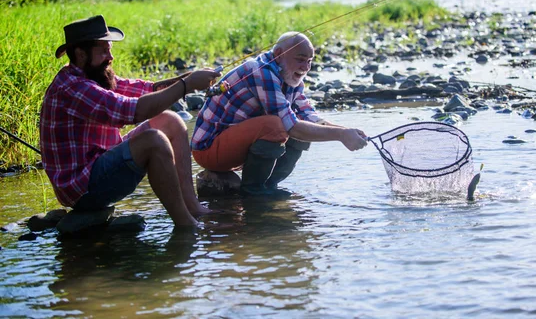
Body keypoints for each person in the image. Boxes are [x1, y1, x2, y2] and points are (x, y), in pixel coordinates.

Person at [40, 15, 220, 227]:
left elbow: (141, 89)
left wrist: (184, 79)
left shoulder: (93, 75)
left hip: (99, 166)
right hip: (82, 189)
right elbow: (132, 111)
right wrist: (187, 85)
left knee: (171, 121)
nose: (111, 56)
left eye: (110, 49)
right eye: (104, 50)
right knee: (153, 140)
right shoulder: (73, 87)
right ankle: (186, 225)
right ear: (80, 54)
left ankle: (193, 208)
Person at [191, 31, 368, 197]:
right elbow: (291, 126)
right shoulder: (261, 71)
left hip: (236, 145)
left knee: (300, 128)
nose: (305, 67)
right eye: (300, 59)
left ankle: (268, 186)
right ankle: (253, 193)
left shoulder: (291, 77)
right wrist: (340, 135)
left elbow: (308, 115)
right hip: (208, 149)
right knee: (276, 126)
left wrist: (347, 131)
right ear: (278, 54)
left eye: (309, 61)